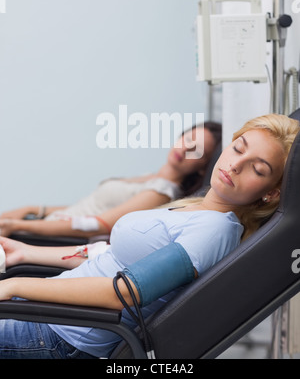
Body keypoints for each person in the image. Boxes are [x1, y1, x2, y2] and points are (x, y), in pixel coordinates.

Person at [0, 113, 298, 359]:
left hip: (59, 335)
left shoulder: (213, 231)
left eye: (257, 169)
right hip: (47, 317)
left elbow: (125, 291)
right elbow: (110, 255)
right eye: (238, 148)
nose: (234, 165)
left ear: (271, 194)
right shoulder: (197, 208)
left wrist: (16, 283)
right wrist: (25, 253)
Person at [0, 122, 221, 239]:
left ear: (203, 168)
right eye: (188, 139)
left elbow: (97, 225)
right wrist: (33, 208)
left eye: (197, 150)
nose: (185, 149)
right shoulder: (151, 177)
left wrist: (17, 225)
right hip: (41, 225)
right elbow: (89, 206)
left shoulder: (161, 193)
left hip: (44, 238)